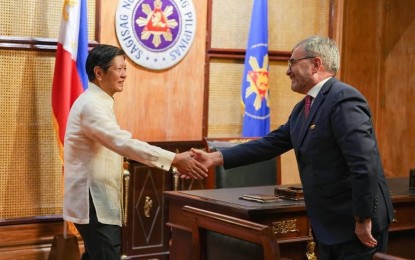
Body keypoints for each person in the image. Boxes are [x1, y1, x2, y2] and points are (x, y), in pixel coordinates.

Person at [192, 36, 394, 259]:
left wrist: (363, 218)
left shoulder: (343, 99)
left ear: (316, 64)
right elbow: (270, 144)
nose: (287, 71)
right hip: (330, 227)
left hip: (356, 227)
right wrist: (216, 158)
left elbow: (364, 165)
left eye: (292, 63)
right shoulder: (303, 109)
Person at [63, 44, 207, 260]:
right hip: (92, 198)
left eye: (125, 69)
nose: (124, 75)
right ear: (99, 73)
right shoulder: (92, 105)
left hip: (98, 197)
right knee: (105, 253)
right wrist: (174, 159)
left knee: (96, 254)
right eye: (119, 69)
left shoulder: (98, 101)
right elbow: (123, 143)